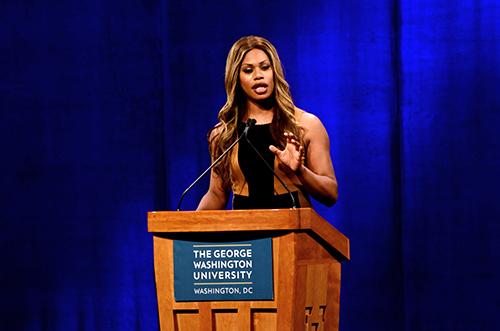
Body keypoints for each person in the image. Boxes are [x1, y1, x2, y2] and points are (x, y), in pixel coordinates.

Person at [197, 35, 337, 210]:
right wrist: (189, 229)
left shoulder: (306, 125)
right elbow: (217, 194)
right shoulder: (224, 134)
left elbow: (331, 194)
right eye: (248, 70)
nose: (258, 76)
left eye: (265, 67)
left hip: (293, 232)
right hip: (244, 234)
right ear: (236, 78)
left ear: (274, 72)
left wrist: (300, 171)